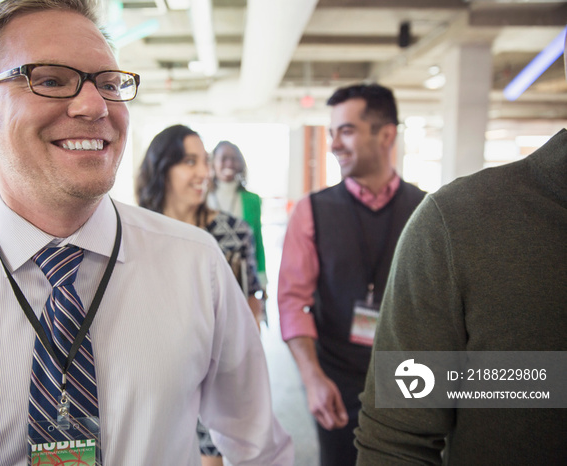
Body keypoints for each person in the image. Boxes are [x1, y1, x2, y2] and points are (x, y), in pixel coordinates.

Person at [0, 1, 294, 465]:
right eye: (49, 79)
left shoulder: (194, 263)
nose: (95, 105)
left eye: (109, 84)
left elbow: (258, 447)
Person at [354, 41, 567, 466]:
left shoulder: (422, 205)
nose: (336, 143)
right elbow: (397, 444)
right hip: (365, 355)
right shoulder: (455, 223)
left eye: (346, 130)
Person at [278, 83, 425, 466]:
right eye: (331, 133)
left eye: (346, 130)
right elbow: (293, 300)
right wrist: (312, 378)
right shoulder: (312, 211)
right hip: (336, 379)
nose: (334, 144)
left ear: (386, 134)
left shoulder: (428, 211)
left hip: (411, 376)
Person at [136, 124, 265, 466]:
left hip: (212, 372)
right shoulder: (136, 235)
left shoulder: (234, 232)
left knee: (211, 457)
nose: (204, 172)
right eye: (189, 162)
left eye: (204, 161)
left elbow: (249, 295)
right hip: (152, 375)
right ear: (162, 168)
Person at [207, 141, 267, 290]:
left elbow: (257, 240)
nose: (229, 163)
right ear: (213, 162)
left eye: (234, 158)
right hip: (209, 274)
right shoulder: (204, 197)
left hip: (242, 278)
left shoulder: (252, 199)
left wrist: (262, 280)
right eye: (224, 158)